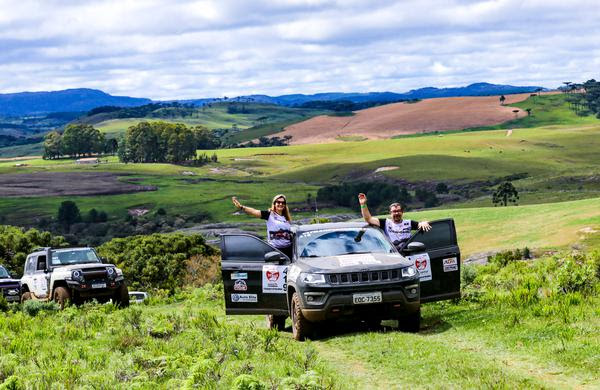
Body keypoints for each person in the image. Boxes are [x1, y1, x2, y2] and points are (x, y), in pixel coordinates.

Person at [357, 193, 431, 248]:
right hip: (392, 252)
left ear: (402, 212)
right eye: (394, 211)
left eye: (398, 211)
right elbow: (368, 219)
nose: (396, 213)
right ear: (390, 213)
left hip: (407, 251)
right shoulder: (385, 223)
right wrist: (363, 204)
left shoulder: (408, 223)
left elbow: (421, 225)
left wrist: (424, 223)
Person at [232, 194, 293, 259]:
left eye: (283, 203)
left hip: (289, 250)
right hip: (276, 250)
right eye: (278, 202)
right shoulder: (269, 215)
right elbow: (254, 211)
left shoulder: (286, 217)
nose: (281, 204)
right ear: (274, 204)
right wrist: (241, 207)